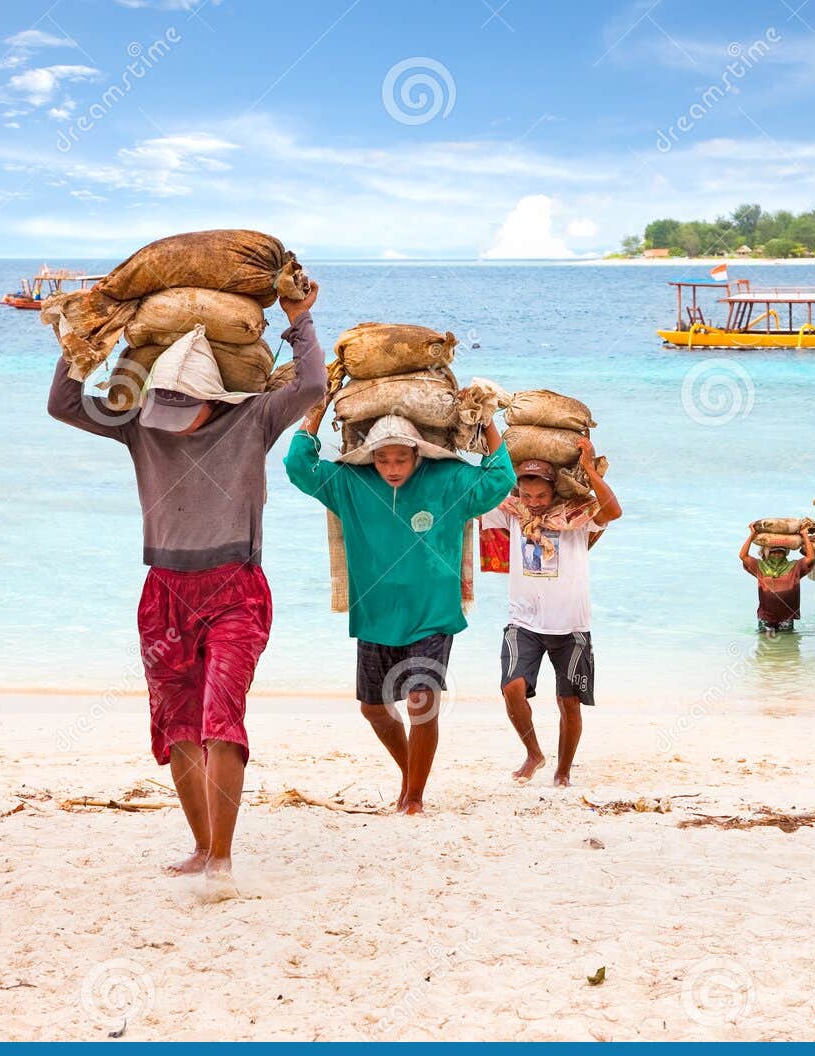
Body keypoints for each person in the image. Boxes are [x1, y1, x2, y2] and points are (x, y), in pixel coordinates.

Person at [46, 282, 328, 882]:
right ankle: (201, 846)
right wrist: (77, 345)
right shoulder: (139, 425)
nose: (171, 425)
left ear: (216, 397)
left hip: (236, 590)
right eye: (163, 409)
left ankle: (222, 859)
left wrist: (299, 319)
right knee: (175, 726)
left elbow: (310, 387)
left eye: (185, 410)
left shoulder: (253, 418)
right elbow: (63, 406)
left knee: (220, 721)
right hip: (164, 593)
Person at [284, 409, 515, 815]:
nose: (392, 469)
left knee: (421, 700)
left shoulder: (448, 480)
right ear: (369, 457)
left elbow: (500, 479)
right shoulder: (350, 484)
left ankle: (413, 797)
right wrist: (314, 415)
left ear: (417, 455)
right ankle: (413, 774)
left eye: (401, 459)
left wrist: (487, 421)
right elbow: (298, 467)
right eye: (382, 459)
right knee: (373, 708)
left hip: (433, 613)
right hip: (375, 614)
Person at [481, 438, 622, 787]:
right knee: (512, 688)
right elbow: (484, 486)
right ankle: (534, 753)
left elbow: (613, 511)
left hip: (571, 623)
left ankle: (563, 771)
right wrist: (487, 433)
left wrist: (589, 469)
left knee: (568, 703)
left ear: (554, 493)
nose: (534, 504)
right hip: (523, 620)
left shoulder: (576, 516)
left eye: (541, 497)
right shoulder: (512, 512)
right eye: (527, 496)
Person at [740, 525, 815, 634]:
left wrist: (804, 535)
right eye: (774, 552)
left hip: (787, 616)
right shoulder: (760, 566)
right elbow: (743, 556)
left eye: (780, 552)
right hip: (766, 616)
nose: (777, 555)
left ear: (785, 553)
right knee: (766, 644)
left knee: (786, 646)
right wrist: (752, 535)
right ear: (768, 553)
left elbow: (811, 557)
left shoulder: (795, 567)